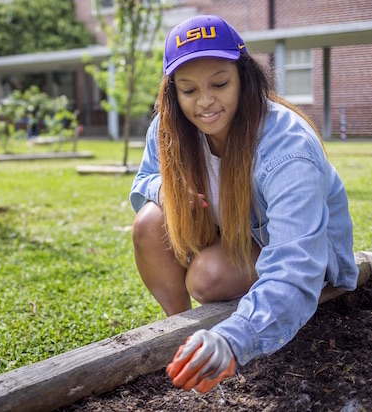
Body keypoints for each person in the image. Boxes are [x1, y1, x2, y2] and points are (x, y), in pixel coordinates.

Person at [129, 15, 359, 393]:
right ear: (173, 93)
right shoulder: (168, 128)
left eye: (219, 83)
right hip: (234, 239)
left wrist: (234, 339)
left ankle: (218, 337)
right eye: (188, 90)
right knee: (149, 222)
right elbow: (142, 183)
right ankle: (182, 334)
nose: (204, 102)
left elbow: (295, 264)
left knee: (205, 276)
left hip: (304, 255)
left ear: (243, 76)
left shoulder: (288, 147)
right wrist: (169, 191)